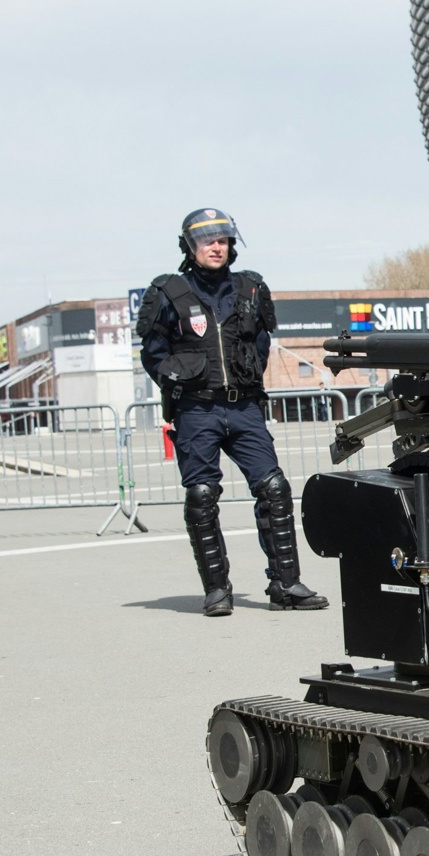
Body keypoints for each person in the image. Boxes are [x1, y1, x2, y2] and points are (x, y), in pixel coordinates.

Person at [137, 208, 327, 617]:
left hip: (243, 408)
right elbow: (153, 355)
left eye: (222, 240)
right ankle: (217, 589)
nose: (216, 246)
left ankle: (286, 584)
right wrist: (179, 381)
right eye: (207, 241)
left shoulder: (250, 288)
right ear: (190, 246)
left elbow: (260, 343)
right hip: (196, 410)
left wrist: (246, 377)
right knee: (202, 496)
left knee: (274, 488)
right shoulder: (168, 292)